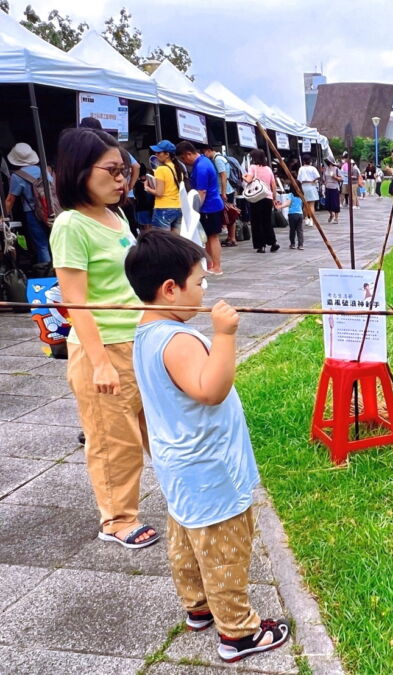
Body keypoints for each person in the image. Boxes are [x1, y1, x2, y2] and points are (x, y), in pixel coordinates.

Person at [123, 230, 290, 663]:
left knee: (186, 537)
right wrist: (225, 335)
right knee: (225, 550)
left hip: (180, 467)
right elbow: (211, 390)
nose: (204, 289)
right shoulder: (177, 341)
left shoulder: (145, 333)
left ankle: (198, 607)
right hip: (209, 468)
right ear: (169, 289)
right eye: (200, 282)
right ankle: (238, 633)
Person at [48, 127, 158, 549]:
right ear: (79, 171)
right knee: (114, 440)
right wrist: (100, 362)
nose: (121, 179)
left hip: (139, 341)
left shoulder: (117, 217)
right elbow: (75, 303)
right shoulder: (71, 225)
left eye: (125, 170)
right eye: (111, 170)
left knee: (155, 428)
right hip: (102, 347)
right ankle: (116, 519)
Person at [176, 141, 226, 274]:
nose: (184, 161)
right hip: (211, 205)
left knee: (212, 237)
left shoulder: (201, 167)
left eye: (183, 158)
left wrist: (194, 211)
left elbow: (201, 192)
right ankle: (211, 264)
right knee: (208, 237)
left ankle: (217, 266)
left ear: (188, 154)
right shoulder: (203, 161)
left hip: (209, 206)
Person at [4, 142, 52, 265]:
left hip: (32, 213)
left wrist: (4, 217)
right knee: (55, 241)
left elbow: (10, 200)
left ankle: (46, 275)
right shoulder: (43, 170)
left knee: (41, 245)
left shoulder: (17, 176)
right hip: (51, 210)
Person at [241, 149, 280, 253]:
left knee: (257, 222)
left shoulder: (252, 167)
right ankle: (273, 243)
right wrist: (274, 198)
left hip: (256, 198)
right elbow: (273, 185)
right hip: (268, 198)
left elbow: (248, 180)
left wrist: (243, 176)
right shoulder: (268, 169)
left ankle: (261, 246)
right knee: (267, 221)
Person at [145, 140, 184, 231]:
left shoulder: (161, 169)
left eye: (159, 152)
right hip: (178, 207)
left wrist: (147, 188)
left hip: (163, 208)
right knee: (175, 241)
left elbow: (159, 193)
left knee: (162, 241)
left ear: (167, 154)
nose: (156, 154)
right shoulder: (178, 168)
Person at [205, 146, 238, 247]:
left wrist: (223, 192)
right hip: (227, 190)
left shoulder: (218, 159)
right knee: (229, 214)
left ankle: (232, 238)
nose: (204, 155)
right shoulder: (221, 157)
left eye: (204, 152)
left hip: (224, 191)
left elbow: (223, 176)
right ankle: (231, 237)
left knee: (229, 214)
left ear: (209, 150)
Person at [296, 154, 320, 228]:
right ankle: (311, 220)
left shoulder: (301, 168)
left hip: (304, 186)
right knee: (312, 204)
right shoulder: (312, 168)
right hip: (311, 185)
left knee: (305, 204)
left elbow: (299, 179)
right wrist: (313, 181)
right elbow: (318, 176)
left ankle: (306, 218)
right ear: (310, 161)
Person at [322, 158, 342, 224]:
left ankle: (336, 218)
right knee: (328, 204)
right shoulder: (326, 169)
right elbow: (324, 179)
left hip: (335, 188)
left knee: (335, 203)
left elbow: (341, 178)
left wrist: (335, 177)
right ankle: (331, 214)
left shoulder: (336, 169)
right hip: (327, 187)